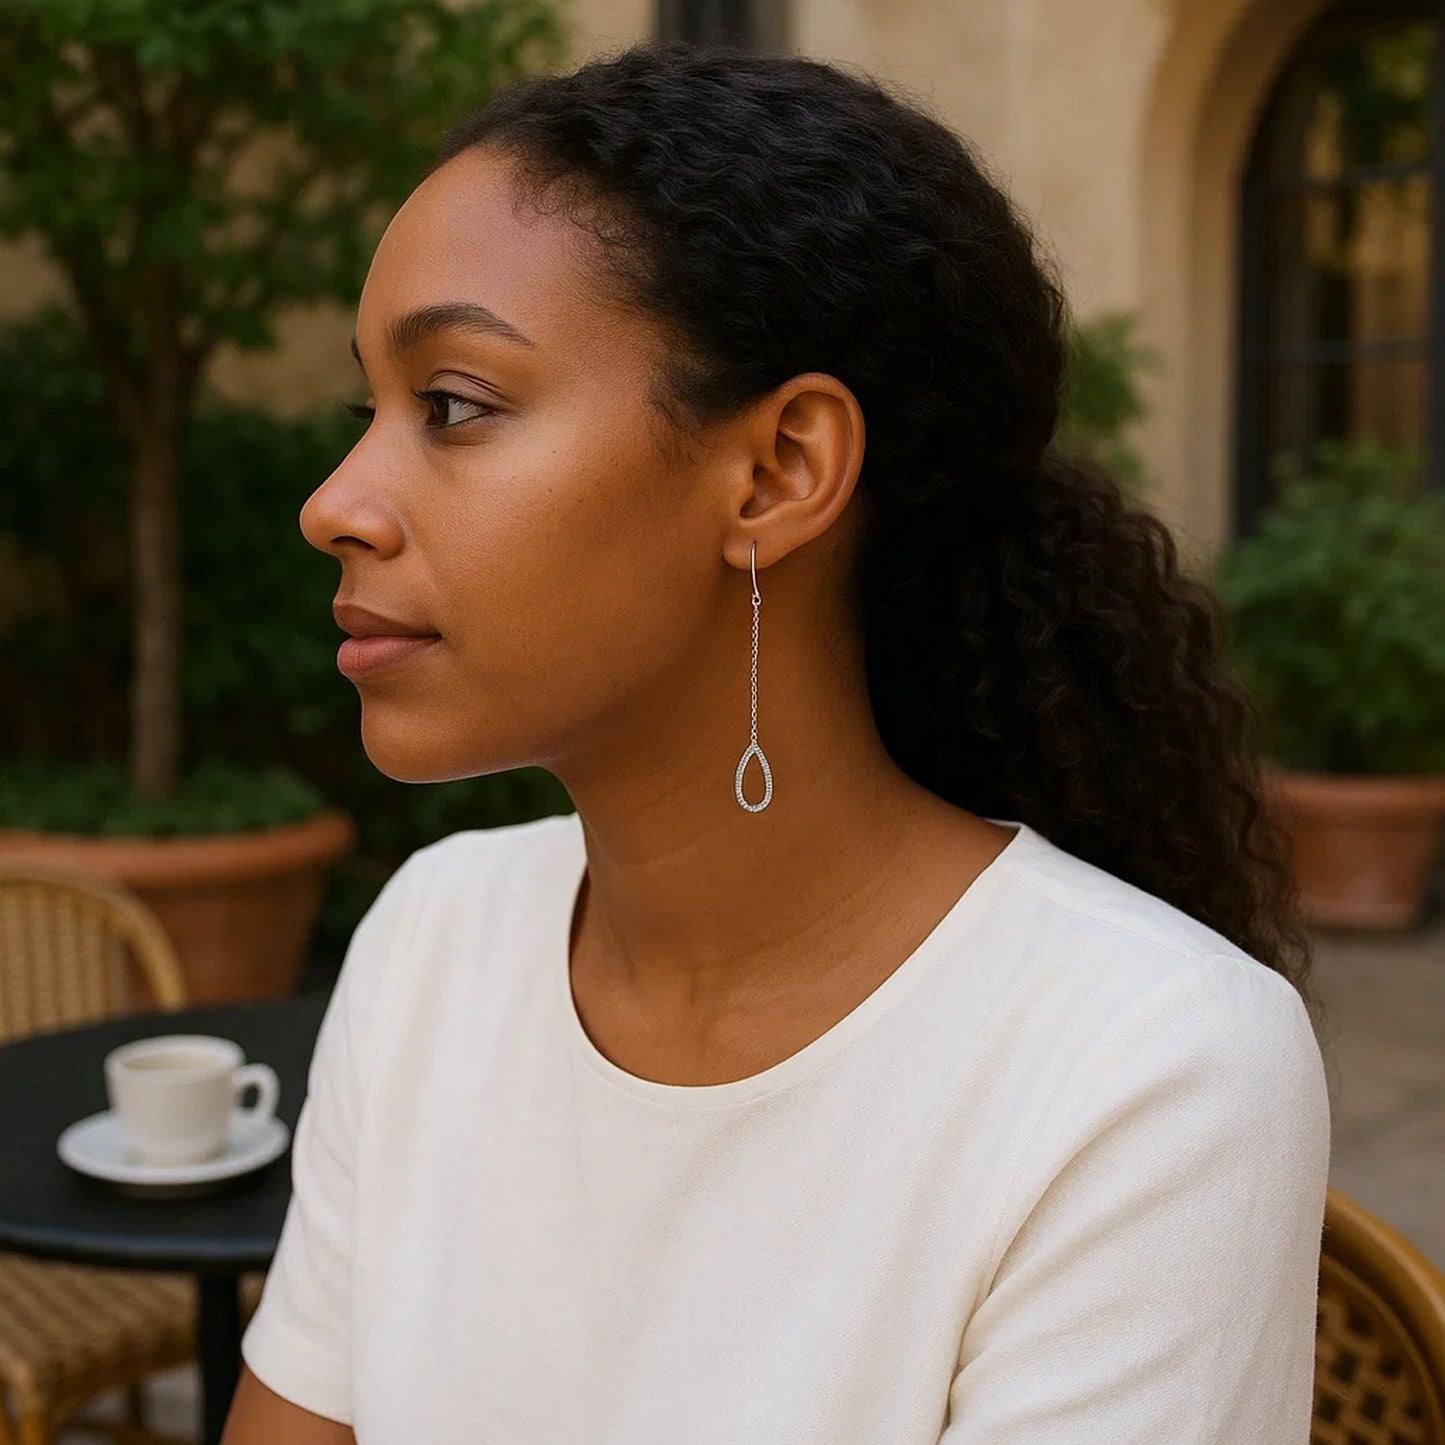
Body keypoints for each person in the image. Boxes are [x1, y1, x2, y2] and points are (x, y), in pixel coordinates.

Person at [222, 39, 1332, 1445]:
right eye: (366, 411)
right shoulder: (434, 940)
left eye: (453, 405)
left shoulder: (1146, 1069)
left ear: (776, 473)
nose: (336, 501)